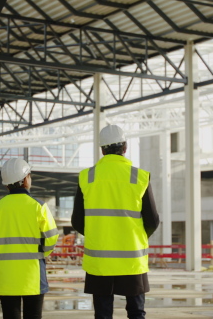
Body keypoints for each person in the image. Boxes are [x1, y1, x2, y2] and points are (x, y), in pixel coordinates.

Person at [71, 125, 159, 319]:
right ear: (125, 147)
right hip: (132, 260)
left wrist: (98, 233)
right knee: (136, 313)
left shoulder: (88, 176)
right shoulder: (139, 176)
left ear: (102, 150)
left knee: (103, 313)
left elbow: (77, 221)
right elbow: (153, 220)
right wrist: (136, 236)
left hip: (99, 260)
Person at [0, 158, 59, 319]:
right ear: (25, 180)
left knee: (10, 315)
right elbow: (51, 239)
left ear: (6, 183)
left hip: (6, 277)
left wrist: (3, 251)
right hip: (33, 276)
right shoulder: (38, 206)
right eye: (29, 175)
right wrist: (39, 252)